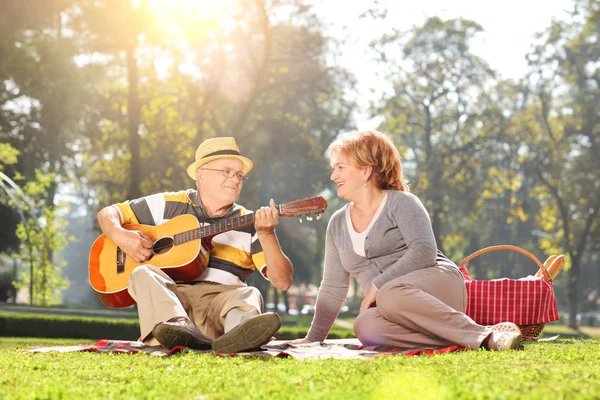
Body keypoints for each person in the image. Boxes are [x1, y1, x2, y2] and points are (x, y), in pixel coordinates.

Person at [296, 130, 522, 351]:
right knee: (364, 326)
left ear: (365, 170)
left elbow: (424, 250)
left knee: (389, 294)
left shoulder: (402, 203)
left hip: (437, 287)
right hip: (394, 308)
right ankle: (462, 335)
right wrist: (313, 339)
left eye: (340, 168)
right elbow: (333, 287)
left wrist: (377, 285)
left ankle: (488, 336)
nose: (333, 176)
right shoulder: (337, 224)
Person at [96, 137, 293, 353]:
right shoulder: (169, 204)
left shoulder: (250, 222)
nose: (235, 179)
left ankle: (239, 335)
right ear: (202, 175)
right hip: (174, 304)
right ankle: (177, 329)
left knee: (250, 294)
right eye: (226, 171)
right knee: (142, 273)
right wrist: (121, 235)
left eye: (239, 175)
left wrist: (267, 233)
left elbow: (282, 281)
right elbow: (109, 213)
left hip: (221, 307)